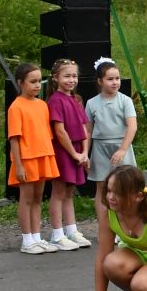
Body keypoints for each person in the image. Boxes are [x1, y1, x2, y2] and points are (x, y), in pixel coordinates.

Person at [6, 62, 59, 254]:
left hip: (42, 156)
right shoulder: (16, 107)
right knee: (26, 199)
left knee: (38, 198)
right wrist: (18, 165)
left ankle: (37, 237)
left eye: (39, 81)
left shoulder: (42, 105)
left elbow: (45, 133)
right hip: (27, 159)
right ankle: (27, 240)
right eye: (32, 82)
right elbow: (14, 138)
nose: (37, 85)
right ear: (21, 83)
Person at [84, 58, 138, 235]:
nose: (115, 82)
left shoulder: (125, 101)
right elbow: (88, 130)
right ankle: (105, 228)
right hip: (100, 147)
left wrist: (123, 149)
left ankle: (125, 227)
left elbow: (132, 126)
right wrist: (85, 153)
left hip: (121, 146)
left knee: (126, 186)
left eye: (117, 78)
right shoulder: (92, 103)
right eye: (110, 79)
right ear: (100, 81)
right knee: (102, 188)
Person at [46, 59, 92, 251]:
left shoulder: (75, 100)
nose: (71, 80)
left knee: (69, 192)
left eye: (74, 76)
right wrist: (74, 153)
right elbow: (60, 131)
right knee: (58, 192)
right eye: (67, 76)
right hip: (63, 152)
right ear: (56, 78)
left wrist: (84, 153)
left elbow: (84, 129)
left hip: (77, 152)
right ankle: (57, 234)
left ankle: (71, 230)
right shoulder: (55, 101)